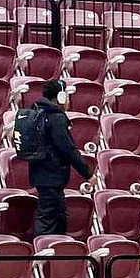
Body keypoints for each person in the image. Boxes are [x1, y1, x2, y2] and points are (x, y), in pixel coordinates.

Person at [29, 80, 96, 237]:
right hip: (51, 175)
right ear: (60, 97)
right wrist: (87, 173)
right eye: (66, 96)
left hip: (43, 175)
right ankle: (42, 254)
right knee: (48, 217)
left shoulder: (39, 113)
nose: (68, 100)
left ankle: (54, 251)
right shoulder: (56, 117)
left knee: (59, 216)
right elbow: (68, 149)